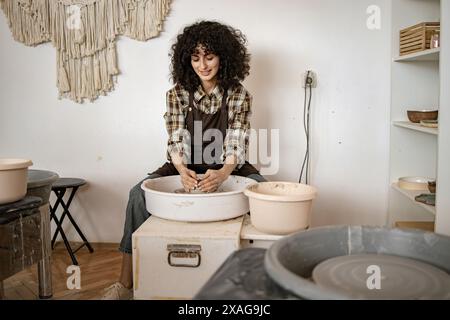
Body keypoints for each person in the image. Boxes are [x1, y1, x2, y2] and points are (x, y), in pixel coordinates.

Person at [101, 20, 265, 300]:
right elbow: (176, 137)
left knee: (264, 194)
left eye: (210, 56)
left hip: (228, 165)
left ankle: (254, 283)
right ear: (186, 59)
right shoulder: (177, 94)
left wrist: (223, 172)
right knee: (137, 195)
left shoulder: (238, 95)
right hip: (184, 164)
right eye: (196, 57)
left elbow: (237, 139)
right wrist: (181, 170)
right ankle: (125, 284)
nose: (203, 65)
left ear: (224, 58)